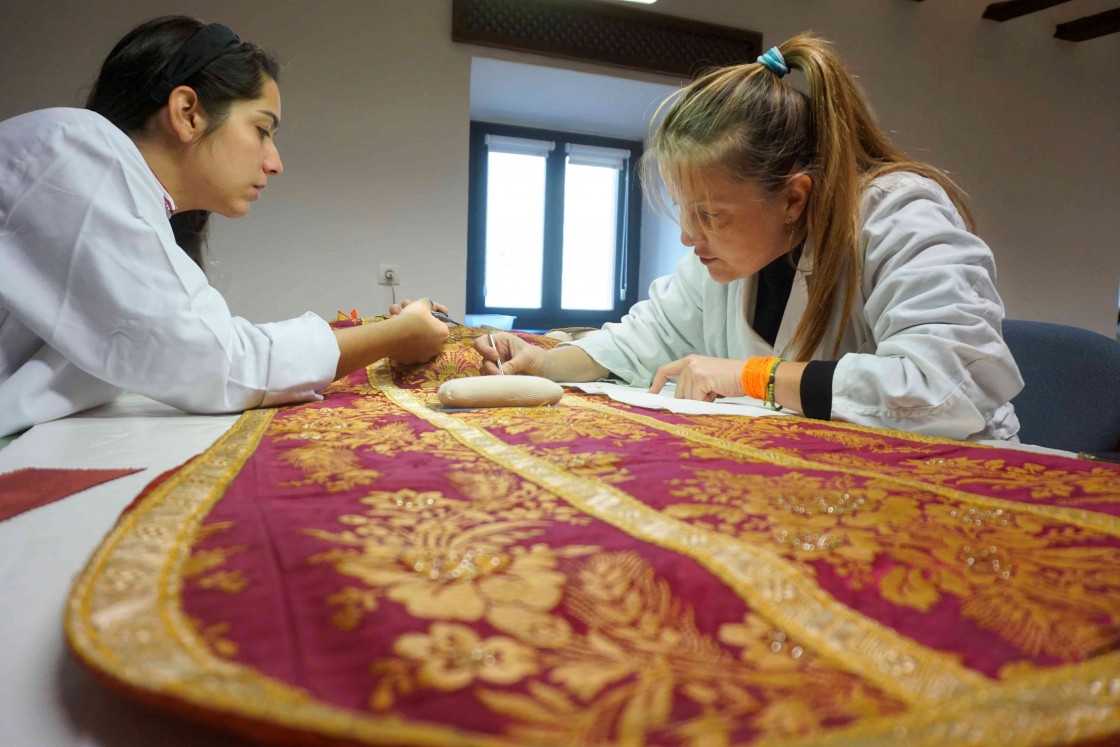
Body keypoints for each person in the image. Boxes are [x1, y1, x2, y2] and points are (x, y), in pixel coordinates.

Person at [474, 34, 1023, 442]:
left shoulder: (899, 213)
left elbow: (948, 385)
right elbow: (641, 339)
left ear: (793, 198)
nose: (690, 236)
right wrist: (542, 363)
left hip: (962, 479)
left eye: (711, 214)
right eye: (686, 213)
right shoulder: (729, 260)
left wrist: (754, 376)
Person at [0, 16, 449, 438]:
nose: (274, 163)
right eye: (261, 130)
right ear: (188, 112)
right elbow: (214, 361)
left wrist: (384, 332)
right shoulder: (73, 149)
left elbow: (189, 344)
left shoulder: (114, 188)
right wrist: (396, 333)